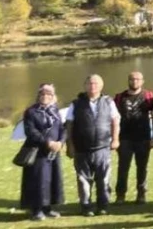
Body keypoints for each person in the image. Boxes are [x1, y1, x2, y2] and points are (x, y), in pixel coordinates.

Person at [64, 74, 120, 217]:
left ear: (101, 86)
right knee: (83, 180)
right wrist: (70, 145)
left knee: (103, 179)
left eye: (95, 83)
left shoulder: (108, 102)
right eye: (89, 83)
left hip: (102, 148)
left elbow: (115, 121)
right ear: (85, 86)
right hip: (82, 149)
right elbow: (69, 125)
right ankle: (86, 206)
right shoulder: (75, 104)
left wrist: (115, 139)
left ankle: (103, 206)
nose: (92, 86)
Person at [19, 83, 65, 221]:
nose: (45, 97)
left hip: (53, 152)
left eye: (48, 95)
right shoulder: (31, 112)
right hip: (38, 152)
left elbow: (63, 129)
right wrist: (47, 142)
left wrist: (60, 142)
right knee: (38, 181)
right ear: (38, 96)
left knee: (51, 180)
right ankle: (36, 210)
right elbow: (31, 131)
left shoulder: (55, 111)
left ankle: (48, 208)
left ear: (52, 97)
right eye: (42, 94)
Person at [114, 71, 153, 204]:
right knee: (123, 167)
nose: (135, 82)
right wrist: (114, 137)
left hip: (143, 137)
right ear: (128, 81)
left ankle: (141, 194)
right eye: (132, 79)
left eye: (138, 79)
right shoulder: (119, 97)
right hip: (124, 138)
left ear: (142, 81)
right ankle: (120, 195)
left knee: (142, 167)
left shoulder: (148, 96)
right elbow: (113, 118)